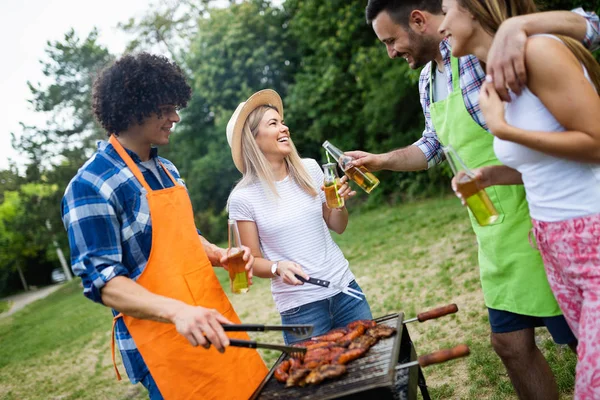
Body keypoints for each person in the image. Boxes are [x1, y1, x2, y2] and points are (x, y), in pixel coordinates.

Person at [347, 1, 599, 398]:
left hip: (542, 214)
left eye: (390, 40)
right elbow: (432, 145)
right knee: (511, 346)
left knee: (579, 340)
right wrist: (383, 161)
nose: (390, 52)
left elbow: (587, 28)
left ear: (418, 20)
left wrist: (519, 28)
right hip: (495, 227)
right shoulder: (427, 81)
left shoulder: (481, 50)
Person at [61, 53, 267, 400]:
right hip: (162, 342)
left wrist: (220, 255)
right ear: (133, 107)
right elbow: (104, 282)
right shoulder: (90, 185)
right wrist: (177, 312)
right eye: (166, 109)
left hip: (210, 321)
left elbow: (183, 237)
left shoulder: (166, 169)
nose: (176, 117)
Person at [437, 0, 600, 397]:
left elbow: (596, 142)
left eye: (445, 10)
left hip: (590, 238)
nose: (442, 25)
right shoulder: (499, 75)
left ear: (473, 9)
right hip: (555, 247)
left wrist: (503, 130)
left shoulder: (538, 50)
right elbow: (548, 162)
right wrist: (494, 174)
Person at [225, 89, 373, 344]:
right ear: (253, 139)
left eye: (282, 122)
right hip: (301, 309)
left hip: (345, 290)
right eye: (273, 124)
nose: (284, 128)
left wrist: (338, 206)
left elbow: (338, 226)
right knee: (316, 381)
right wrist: (277, 267)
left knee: (373, 361)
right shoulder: (243, 198)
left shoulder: (311, 169)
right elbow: (252, 261)